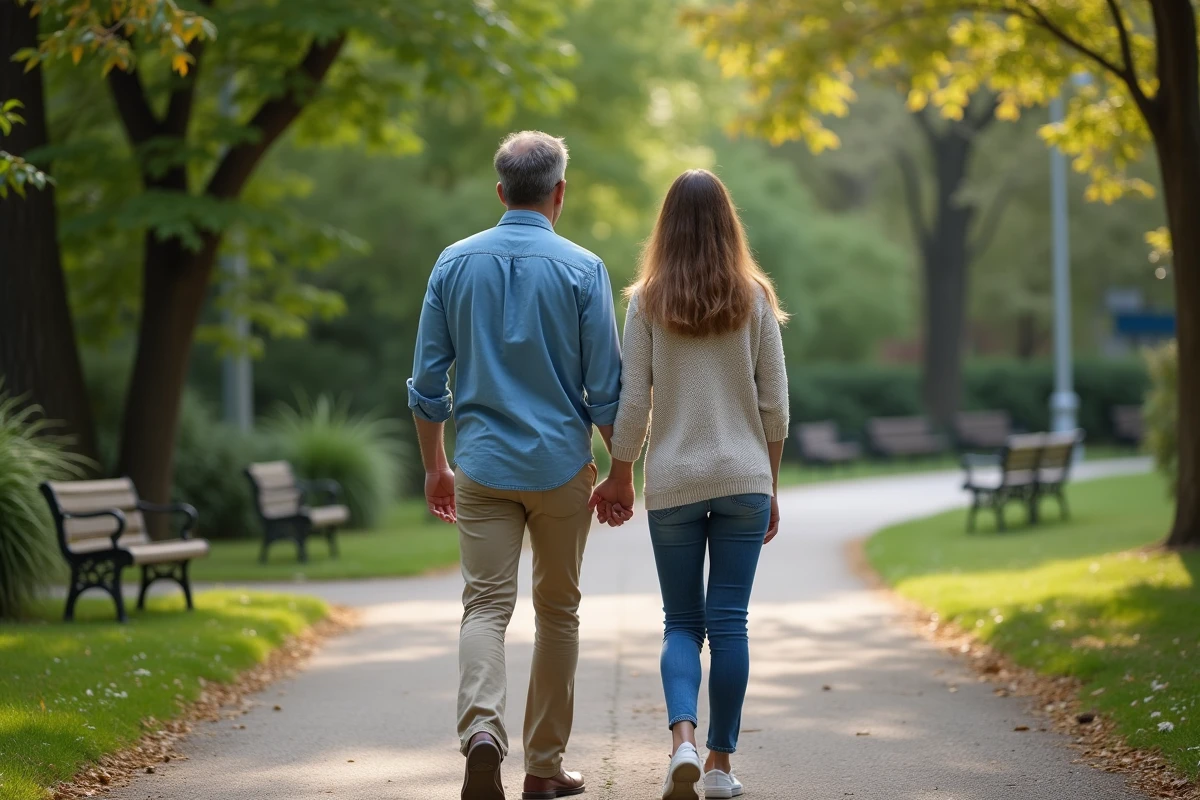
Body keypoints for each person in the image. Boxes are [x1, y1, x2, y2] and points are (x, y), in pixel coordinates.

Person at [408, 130, 628, 800]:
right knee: (557, 611)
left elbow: (425, 384)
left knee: (484, 607)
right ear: (559, 193)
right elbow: (607, 390)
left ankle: (481, 732)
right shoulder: (583, 269)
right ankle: (543, 769)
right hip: (562, 468)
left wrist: (435, 466)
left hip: (481, 466)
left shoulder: (452, 263)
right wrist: (621, 471)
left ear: (501, 191)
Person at [591, 169, 789, 800]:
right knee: (730, 623)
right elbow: (776, 407)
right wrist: (772, 486)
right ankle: (720, 767)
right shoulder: (754, 298)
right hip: (743, 479)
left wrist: (622, 474)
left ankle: (680, 740)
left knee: (682, 621)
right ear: (729, 224)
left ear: (665, 227)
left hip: (673, 482)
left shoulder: (646, 301)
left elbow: (633, 406)